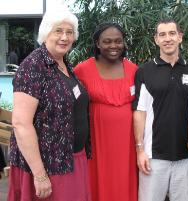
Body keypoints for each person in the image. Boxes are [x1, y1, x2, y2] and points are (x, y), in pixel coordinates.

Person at [7, 6, 91, 201]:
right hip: (49, 166)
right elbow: (21, 124)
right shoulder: (33, 66)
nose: (64, 37)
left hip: (71, 159)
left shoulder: (63, 64)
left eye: (69, 32)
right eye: (58, 31)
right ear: (46, 33)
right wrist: (40, 175)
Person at [133, 19, 188, 201]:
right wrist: (140, 150)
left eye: (172, 33)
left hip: (187, 156)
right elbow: (140, 112)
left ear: (180, 37)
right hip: (153, 156)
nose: (167, 39)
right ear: (156, 40)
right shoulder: (144, 71)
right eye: (162, 34)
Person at [74, 22, 138, 201]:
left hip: (127, 142)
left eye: (118, 41)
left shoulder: (134, 69)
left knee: (124, 181)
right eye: (107, 41)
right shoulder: (82, 70)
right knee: (98, 182)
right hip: (96, 140)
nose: (113, 46)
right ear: (97, 43)